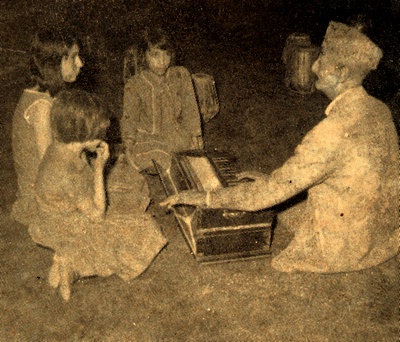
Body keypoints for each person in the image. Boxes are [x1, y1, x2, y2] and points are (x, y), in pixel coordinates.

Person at [161, 21, 399, 273]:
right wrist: (273, 180)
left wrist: (206, 197)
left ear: (340, 72)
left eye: (323, 59)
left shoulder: (333, 132)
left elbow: (270, 193)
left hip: (346, 247)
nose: (314, 66)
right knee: (288, 210)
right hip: (380, 234)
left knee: (282, 218)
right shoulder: (378, 109)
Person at [29, 89, 167, 301]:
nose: (103, 137)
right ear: (84, 132)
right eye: (99, 132)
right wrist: (99, 168)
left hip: (53, 217)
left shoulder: (60, 148)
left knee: (129, 188)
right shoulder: (66, 173)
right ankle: (73, 265)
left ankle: (68, 261)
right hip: (70, 228)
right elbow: (97, 214)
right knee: (147, 229)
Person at [11, 28, 84, 226]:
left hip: (47, 189)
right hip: (40, 200)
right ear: (54, 62)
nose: (80, 63)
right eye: (73, 57)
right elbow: (50, 169)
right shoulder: (41, 107)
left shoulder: (42, 97)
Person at [121, 27, 203, 173]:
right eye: (155, 55)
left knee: (193, 157)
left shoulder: (180, 75)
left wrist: (195, 135)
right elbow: (129, 119)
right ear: (144, 55)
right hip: (148, 139)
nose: (162, 61)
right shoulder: (135, 85)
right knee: (157, 156)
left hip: (175, 136)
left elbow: (191, 110)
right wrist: (128, 146)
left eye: (166, 55)